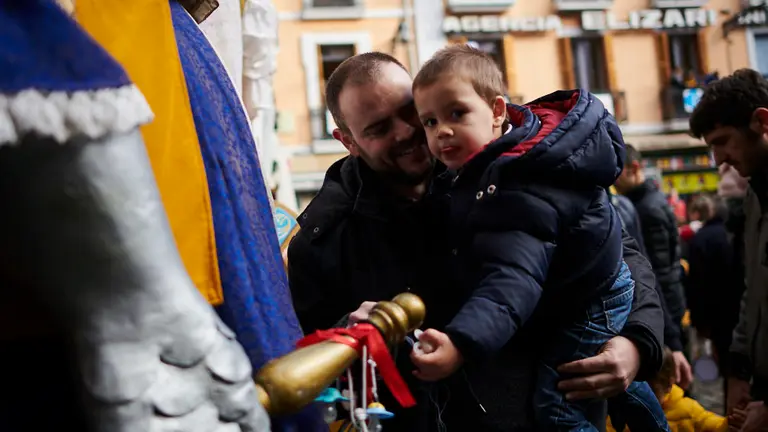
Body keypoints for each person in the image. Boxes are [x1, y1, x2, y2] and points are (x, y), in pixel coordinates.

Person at [288, 51, 665, 431]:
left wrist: (636, 341)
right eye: (378, 128)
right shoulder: (321, 243)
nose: (405, 132)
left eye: (409, 113)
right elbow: (315, 374)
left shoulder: (507, 164)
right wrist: (350, 336)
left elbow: (618, 253)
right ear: (348, 140)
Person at [403, 45, 664, 431]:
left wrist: (462, 342)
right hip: (588, 291)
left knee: (559, 405)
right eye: (428, 122)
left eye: (456, 113)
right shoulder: (488, 170)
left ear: (496, 111)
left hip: (591, 300)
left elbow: (512, 279)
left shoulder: (515, 182)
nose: (441, 130)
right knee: (616, 387)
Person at [689, 68, 768, 432]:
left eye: (723, 141)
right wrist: (740, 371)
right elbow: (754, 291)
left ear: (761, 121)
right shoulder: (754, 198)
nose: (719, 159)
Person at [614, 144, 693, 390]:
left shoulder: (646, 208)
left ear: (633, 168)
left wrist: (668, 334)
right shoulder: (649, 202)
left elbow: (653, 271)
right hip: (667, 310)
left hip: (664, 312)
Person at [608, 348, 732, 432]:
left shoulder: (687, 409)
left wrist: (730, 423)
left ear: (669, 384)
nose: (642, 398)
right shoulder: (619, 412)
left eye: (651, 392)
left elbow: (713, 425)